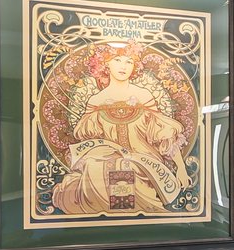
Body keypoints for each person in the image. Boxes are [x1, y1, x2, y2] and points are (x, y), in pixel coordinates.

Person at [48, 43, 191, 216]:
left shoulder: (144, 95)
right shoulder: (97, 99)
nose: (123, 66)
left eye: (129, 61)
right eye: (117, 60)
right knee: (97, 167)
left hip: (145, 163)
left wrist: (181, 169)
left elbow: (165, 135)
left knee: (126, 166)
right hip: (105, 160)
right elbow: (88, 141)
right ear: (105, 64)